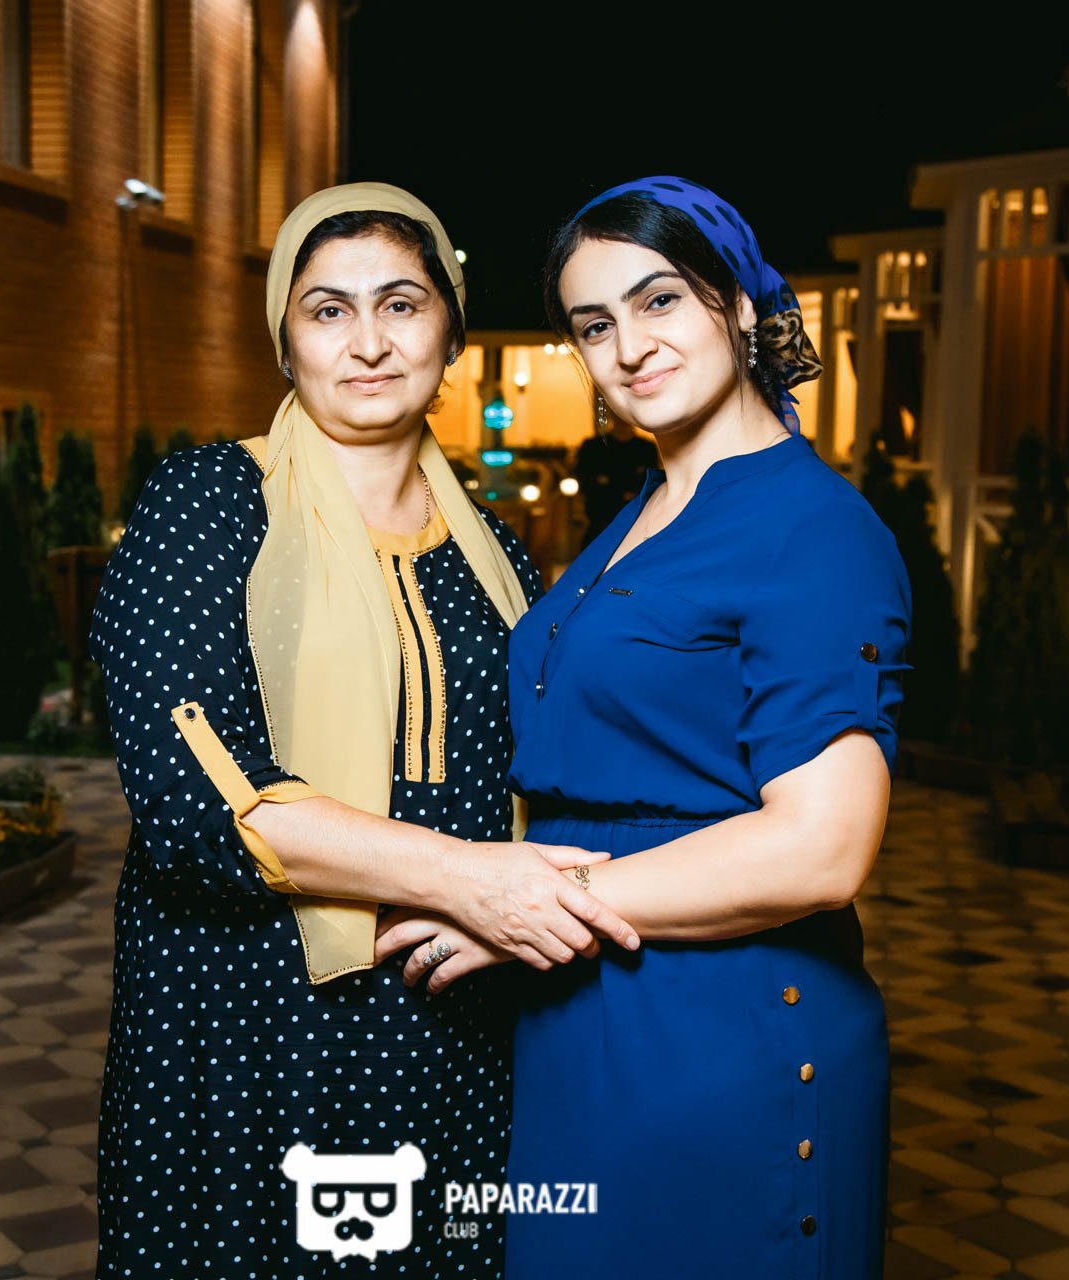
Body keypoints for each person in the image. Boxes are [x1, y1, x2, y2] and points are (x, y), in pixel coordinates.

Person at [89, 182, 640, 1279]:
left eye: (401, 303)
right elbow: (198, 803)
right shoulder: (209, 503)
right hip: (249, 1019)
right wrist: (466, 878)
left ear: (451, 331)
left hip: (454, 1014)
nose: (369, 342)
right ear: (285, 340)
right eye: (328, 310)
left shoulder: (494, 551)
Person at [377, 177, 912, 1277]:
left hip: (723, 1027)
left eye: (659, 299)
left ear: (743, 306)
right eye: (594, 324)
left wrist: (530, 905)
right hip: (582, 1014)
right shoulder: (646, 508)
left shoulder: (813, 527)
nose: (628, 347)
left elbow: (823, 846)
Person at [572, 408, 659, 546]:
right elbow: (585, 481)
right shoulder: (593, 447)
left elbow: (650, 484)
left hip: (636, 522)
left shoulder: (646, 449)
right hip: (601, 521)